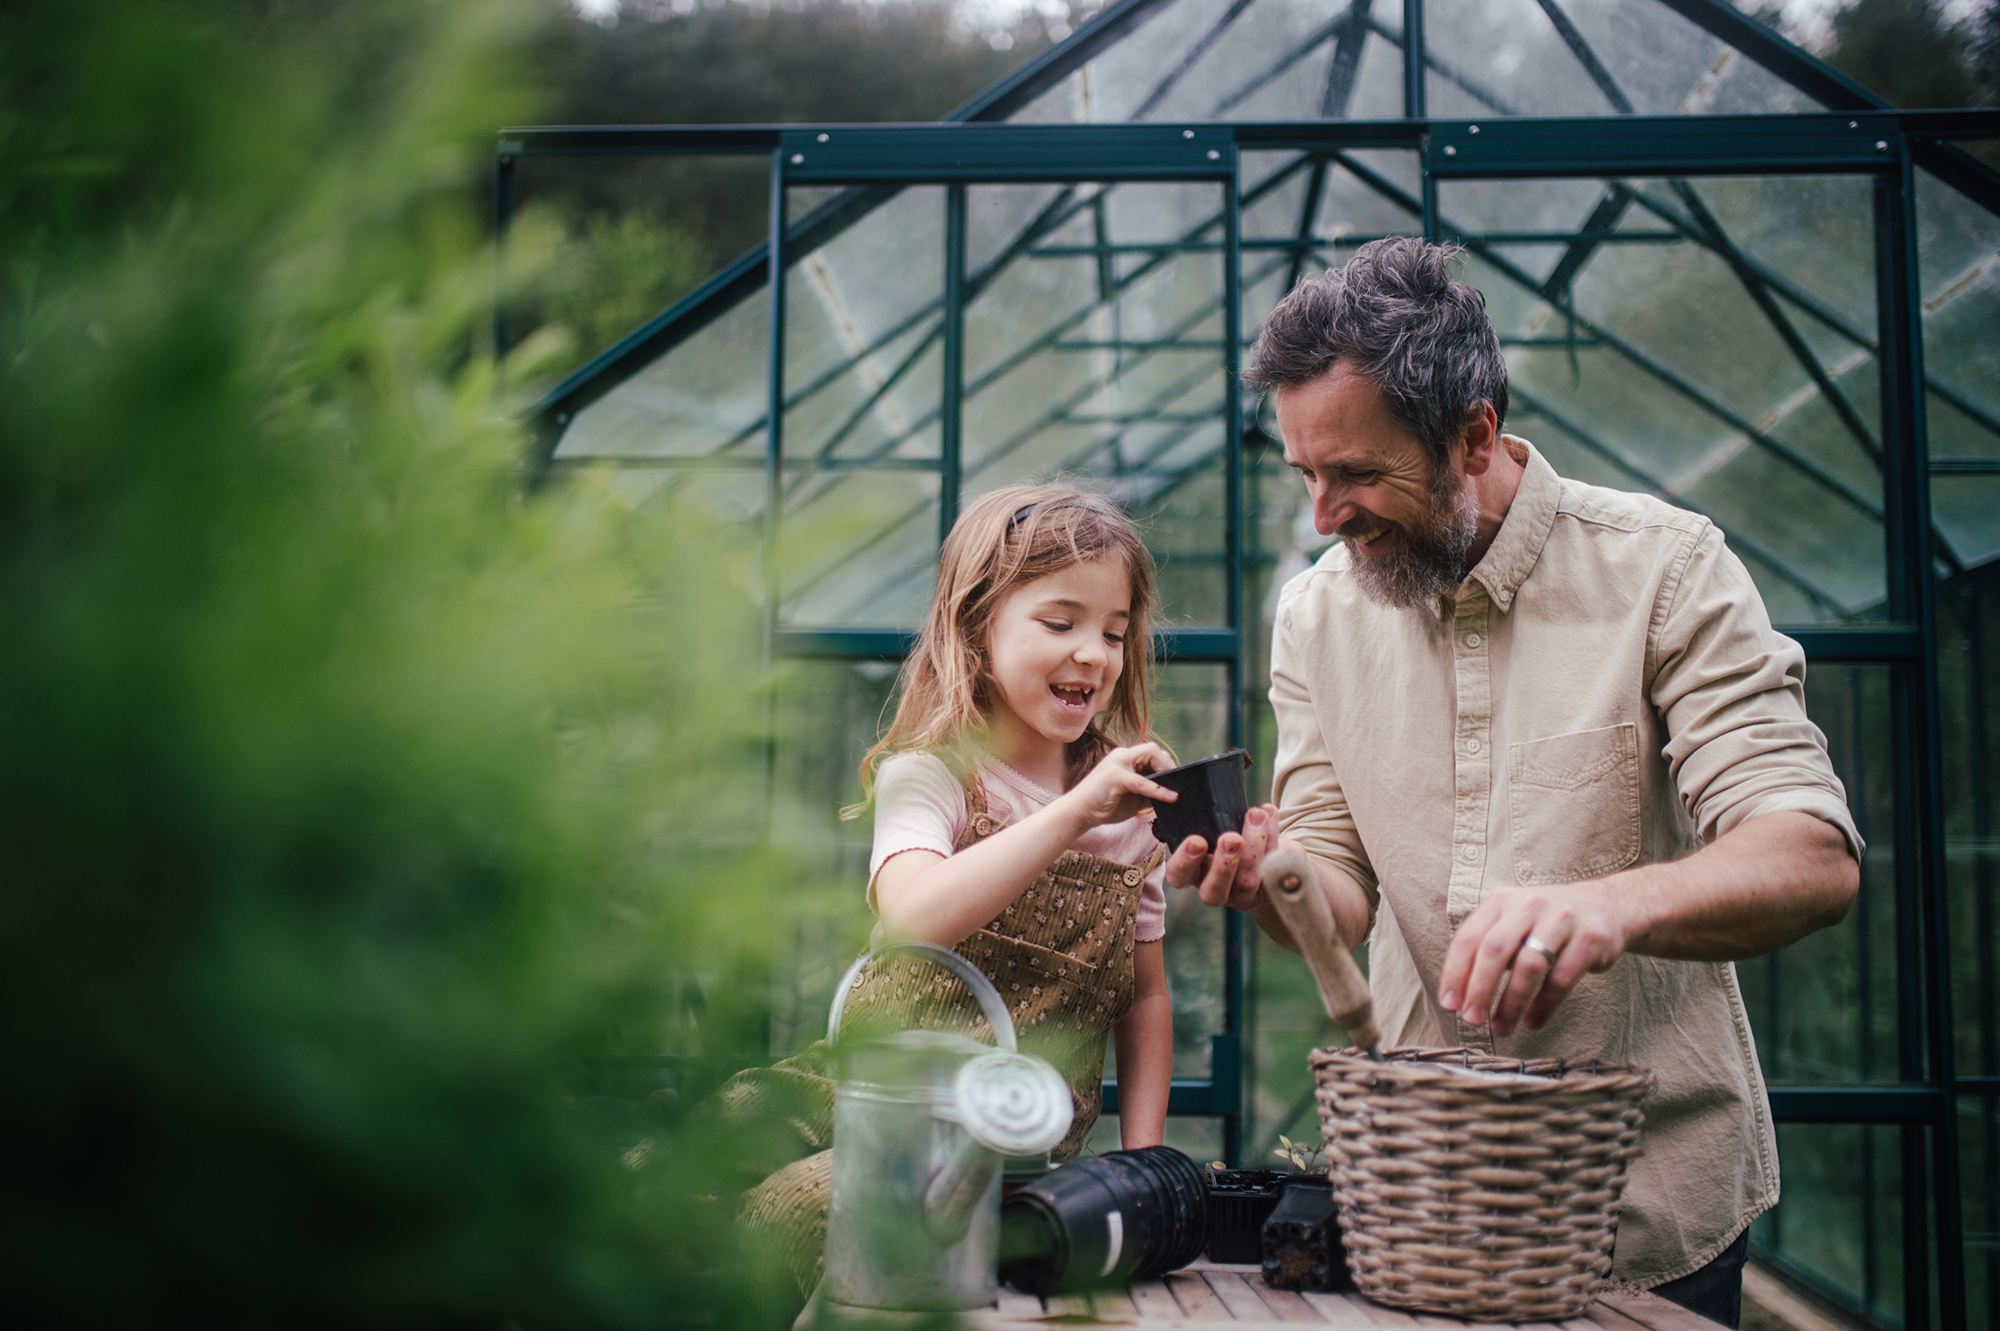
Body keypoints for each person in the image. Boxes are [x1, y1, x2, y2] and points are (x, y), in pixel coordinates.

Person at [1165, 238, 1862, 1329]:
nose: (1323, 515)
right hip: (1412, 1197)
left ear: (1473, 434)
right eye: (1304, 473)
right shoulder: (1313, 613)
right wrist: (1272, 876)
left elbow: (1810, 853)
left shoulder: (1663, 568)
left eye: (1353, 473)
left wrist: (1605, 902)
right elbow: (1335, 885)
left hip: (1645, 1207)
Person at [727, 482, 1180, 1299]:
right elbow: (911, 914)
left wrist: (1145, 1162)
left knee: (807, 1210)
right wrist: (1076, 813)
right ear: (977, 629)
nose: (1094, 653)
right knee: (673, 1171)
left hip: (996, 1144)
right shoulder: (931, 776)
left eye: (1115, 633)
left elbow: (1144, 996)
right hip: (857, 1092)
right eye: (1060, 622)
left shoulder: (1131, 810)